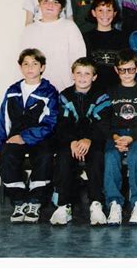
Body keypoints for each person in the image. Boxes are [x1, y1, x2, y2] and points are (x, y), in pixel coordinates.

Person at [0, 49, 58, 223]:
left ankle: (35, 202)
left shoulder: (49, 92)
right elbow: (2, 120)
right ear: (20, 67)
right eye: (25, 64)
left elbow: (51, 122)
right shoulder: (13, 91)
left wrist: (25, 137)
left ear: (42, 67)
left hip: (41, 137)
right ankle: (19, 202)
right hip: (15, 137)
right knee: (7, 155)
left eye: (34, 64)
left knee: (45, 156)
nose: (30, 68)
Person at [50, 58, 111, 226]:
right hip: (71, 141)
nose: (83, 77)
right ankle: (63, 204)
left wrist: (89, 139)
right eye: (79, 73)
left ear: (94, 77)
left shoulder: (102, 96)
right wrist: (71, 141)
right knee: (63, 157)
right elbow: (62, 124)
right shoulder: (64, 96)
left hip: (93, 140)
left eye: (87, 74)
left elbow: (103, 123)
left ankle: (96, 203)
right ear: (72, 75)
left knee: (97, 157)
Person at [101, 49, 137, 225]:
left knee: (136, 156)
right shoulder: (109, 91)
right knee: (110, 156)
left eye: (130, 69)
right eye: (122, 70)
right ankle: (114, 203)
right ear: (116, 70)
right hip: (115, 135)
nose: (127, 74)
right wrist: (115, 136)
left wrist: (132, 137)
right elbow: (104, 120)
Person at [20, 0, 86, 92]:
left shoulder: (70, 27)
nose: (50, 5)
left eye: (56, 2)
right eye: (46, 1)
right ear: (39, 5)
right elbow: (23, 62)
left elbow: (79, 59)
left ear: (62, 8)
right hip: (37, 90)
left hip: (65, 89)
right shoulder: (29, 30)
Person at [83, 0, 129, 90]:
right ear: (93, 13)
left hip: (117, 89)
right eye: (100, 10)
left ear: (115, 13)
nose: (105, 14)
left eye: (109, 10)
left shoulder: (123, 38)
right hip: (93, 91)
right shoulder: (86, 38)